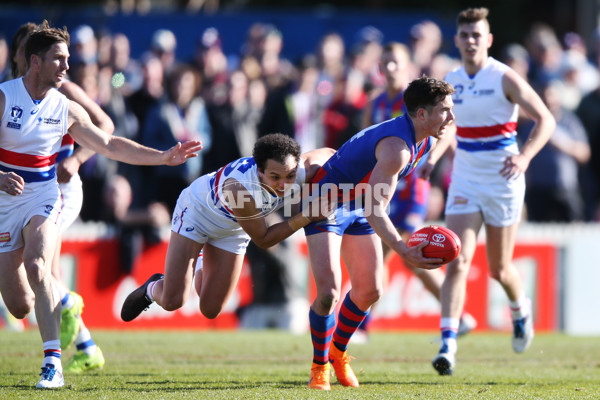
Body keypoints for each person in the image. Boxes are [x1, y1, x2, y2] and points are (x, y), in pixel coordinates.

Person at [0, 21, 202, 389]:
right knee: (19, 305)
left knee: (38, 264)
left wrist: (163, 156)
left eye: (68, 59)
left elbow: (109, 143)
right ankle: (63, 307)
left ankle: (52, 364)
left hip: (45, 195)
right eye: (59, 59)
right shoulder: (4, 97)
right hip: (4, 202)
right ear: (34, 61)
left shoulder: (66, 106)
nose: (66, 66)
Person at [419, 8, 555, 376]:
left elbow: (546, 119)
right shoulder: (450, 80)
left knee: (499, 269)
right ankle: (448, 345)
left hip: (503, 179)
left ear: (488, 40)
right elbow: (448, 126)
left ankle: (519, 307)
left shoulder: (503, 77)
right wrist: (432, 157)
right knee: (456, 258)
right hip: (465, 178)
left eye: (477, 35)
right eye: (464, 35)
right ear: (457, 40)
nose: (470, 41)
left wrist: (525, 157)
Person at [304, 76, 455, 391]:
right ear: (422, 115)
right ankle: (320, 366)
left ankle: (338, 354)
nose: (451, 116)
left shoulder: (425, 134)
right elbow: (376, 210)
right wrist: (403, 249)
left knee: (371, 290)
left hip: (357, 204)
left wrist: (434, 161)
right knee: (329, 293)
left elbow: (450, 128)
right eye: (445, 110)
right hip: (325, 203)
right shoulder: (397, 149)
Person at [120, 134, 334, 326]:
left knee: (211, 309)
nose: (284, 184)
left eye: (289, 176)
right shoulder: (239, 189)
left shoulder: (300, 169)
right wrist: (306, 216)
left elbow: (334, 155)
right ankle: (151, 288)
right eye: (275, 177)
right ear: (259, 172)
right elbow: (264, 239)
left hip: (234, 225)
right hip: (198, 212)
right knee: (173, 300)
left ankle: (201, 256)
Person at [10, 21, 116, 373]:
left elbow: (106, 128)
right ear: (22, 56)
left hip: (59, 191)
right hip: (20, 191)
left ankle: (67, 332)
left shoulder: (64, 89)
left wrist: (76, 158)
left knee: (41, 265)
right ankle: (85, 343)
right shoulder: (10, 93)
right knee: (40, 276)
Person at [354, 42, 476, 344]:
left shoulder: (422, 103)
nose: (390, 68)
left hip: (412, 192)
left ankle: (360, 326)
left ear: (408, 66)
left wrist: (432, 161)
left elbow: (449, 130)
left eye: (396, 62)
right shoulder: (375, 103)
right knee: (405, 257)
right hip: (387, 190)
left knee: (390, 251)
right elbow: (368, 143)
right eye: (385, 62)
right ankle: (459, 317)